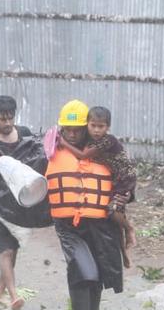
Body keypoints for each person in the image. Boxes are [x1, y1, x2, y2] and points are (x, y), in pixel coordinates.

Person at [46, 100, 124, 310]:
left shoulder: (105, 152)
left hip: (100, 225)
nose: (71, 134)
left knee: (99, 275)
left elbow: (124, 182)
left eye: (77, 129)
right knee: (82, 271)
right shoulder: (50, 150)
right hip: (68, 226)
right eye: (67, 129)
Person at [0, 95, 52, 310]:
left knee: (14, 248)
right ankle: (14, 296)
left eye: (10, 118)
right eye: (2, 119)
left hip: (19, 203)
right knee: (5, 250)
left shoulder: (24, 133)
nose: (7, 124)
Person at [57, 105, 137, 266]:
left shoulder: (107, 140)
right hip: (114, 178)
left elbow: (82, 155)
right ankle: (124, 253)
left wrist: (62, 142)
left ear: (108, 127)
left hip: (124, 177)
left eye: (101, 127)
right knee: (114, 219)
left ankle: (129, 229)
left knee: (113, 210)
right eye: (93, 126)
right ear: (87, 124)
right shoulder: (90, 140)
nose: (96, 130)